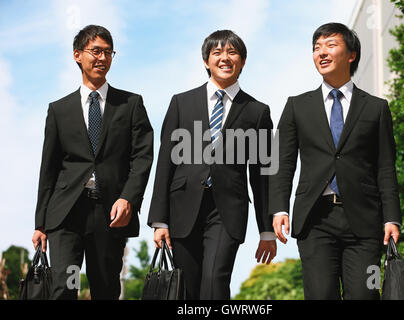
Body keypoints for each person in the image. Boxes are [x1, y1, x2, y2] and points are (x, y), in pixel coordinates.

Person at [270, 22, 401, 300]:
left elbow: (386, 167)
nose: (322, 52)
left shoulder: (377, 108)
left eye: (331, 45)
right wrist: (279, 208)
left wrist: (392, 217)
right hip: (314, 221)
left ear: (351, 54)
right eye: (317, 47)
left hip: (365, 225)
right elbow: (282, 162)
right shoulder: (297, 106)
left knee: (366, 294)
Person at [148, 30, 277, 300]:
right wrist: (160, 220)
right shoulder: (181, 103)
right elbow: (165, 162)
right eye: (217, 53)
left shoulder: (257, 111)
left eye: (232, 53)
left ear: (242, 61)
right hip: (182, 207)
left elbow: (262, 175)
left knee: (214, 283)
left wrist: (266, 229)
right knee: (187, 289)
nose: (224, 58)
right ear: (206, 61)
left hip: (227, 210)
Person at [32, 25, 153, 300]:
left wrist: (128, 198)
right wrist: (40, 223)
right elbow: (48, 168)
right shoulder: (59, 110)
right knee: (65, 287)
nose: (102, 58)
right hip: (66, 215)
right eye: (95, 51)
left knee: (106, 289)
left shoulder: (131, 104)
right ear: (77, 55)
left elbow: (143, 156)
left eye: (108, 52)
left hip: (109, 213)